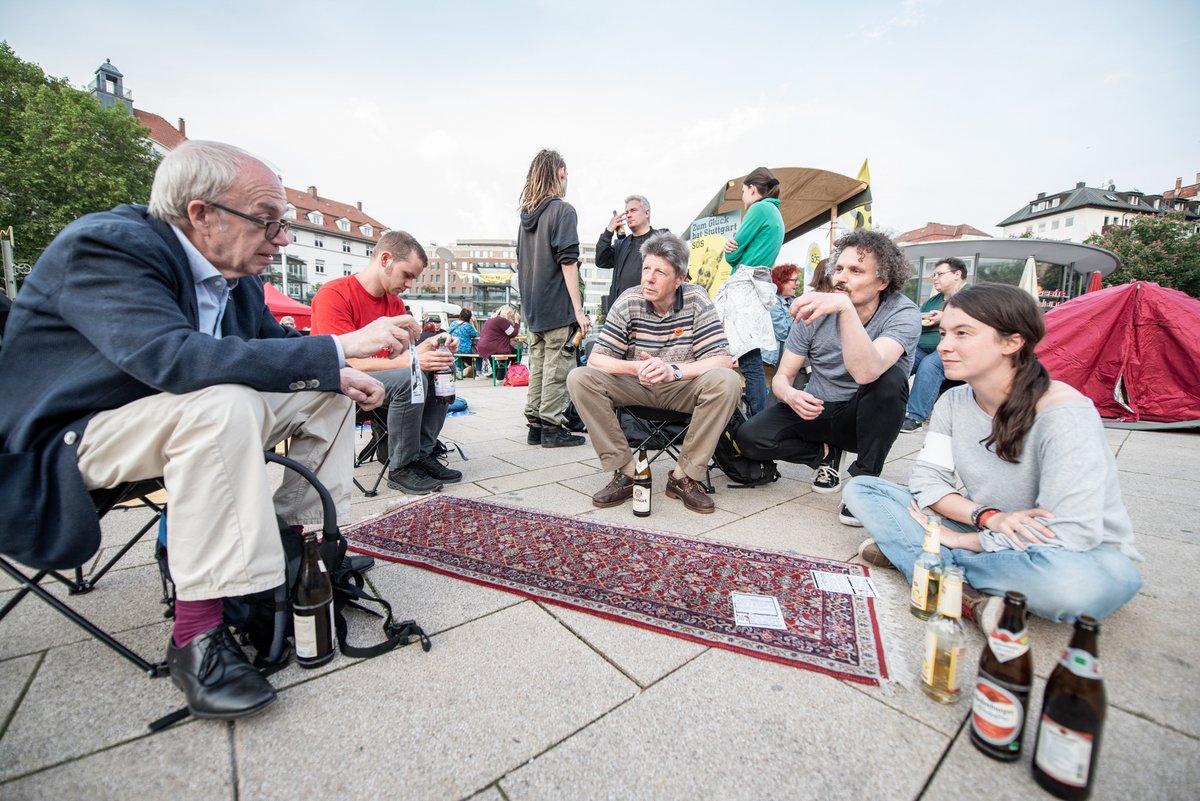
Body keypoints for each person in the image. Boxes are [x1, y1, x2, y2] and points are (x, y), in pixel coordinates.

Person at [0, 140, 414, 720]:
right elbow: (172, 360)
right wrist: (340, 344)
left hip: (168, 418)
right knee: (223, 404)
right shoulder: (107, 246)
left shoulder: (233, 273)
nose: (283, 239)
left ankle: (301, 552)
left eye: (285, 225)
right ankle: (198, 635)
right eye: (269, 223)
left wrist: (338, 367)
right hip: (69, 437)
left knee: (328, 389)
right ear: (201, 213)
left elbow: (276, 348)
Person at [844, 284, 1143, 624]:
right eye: (943, 333)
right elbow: (928, 482)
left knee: (1072, 587)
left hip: (1069, 552)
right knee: (862, 488)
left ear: (1011, 342)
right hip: (986, 522)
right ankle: (960, 582)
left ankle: (932, 565)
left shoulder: (1064, 413)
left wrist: (962, 540)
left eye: (962, 334)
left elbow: (1069, 533)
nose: (944, 346)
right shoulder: (953, 402)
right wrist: (987, 518)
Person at [735, 230, 920, 526]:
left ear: (882, 282)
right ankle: (823, 455)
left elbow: (867, 371)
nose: (841, 278)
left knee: (891, 379)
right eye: (840, 268)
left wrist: (845, 309)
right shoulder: (815, 311)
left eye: (856, 270)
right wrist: (792, 395)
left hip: (860, 417)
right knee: (749, 438)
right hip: (817, 408)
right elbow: (782, 377)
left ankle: (864, 485)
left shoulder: (902, 313)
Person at [567, 232, 741, 514]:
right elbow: (597, 358)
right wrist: (635, 367)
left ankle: (685, 477)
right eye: (646, 268)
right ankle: (626, 472)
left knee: (728, 381)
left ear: (679, 279)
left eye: (660, 272)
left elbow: (722, 359)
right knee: (579, 378)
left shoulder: (697, 298)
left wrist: (673, 371)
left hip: (682, 386)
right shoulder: (628, 300)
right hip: (637, 384)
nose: (648, 278)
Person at [310, 232, 461, 496]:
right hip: (341, 381)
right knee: (409, 377)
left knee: (442, 366)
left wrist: (431, 347)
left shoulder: (394, 303)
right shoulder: (334, 294)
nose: (409, 284)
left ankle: (422, 452)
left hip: (382, 381)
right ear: (385, 259)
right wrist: (415, 360)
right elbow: (350, 361)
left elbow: (396, 356)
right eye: (407, 275)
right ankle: (402, 465)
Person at [516, 149, 589, 447]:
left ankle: (535, 423)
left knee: (540, 366)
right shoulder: (563, 211)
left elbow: (522, 263)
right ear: (559, 173)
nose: (568, 179)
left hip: (534, 308)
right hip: (557, 305)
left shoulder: (525, 218)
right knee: (558, 369)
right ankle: (551, 428)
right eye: (566, 174)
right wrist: (579, 311)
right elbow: (567, 262)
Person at [718, 167, 785, 416]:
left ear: (753, 190)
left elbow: (733, 255)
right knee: (750, 358)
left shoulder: (759, 209)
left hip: (744, 288)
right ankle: (757, 417)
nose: (743, 197)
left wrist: (729, 248)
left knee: (749, 360)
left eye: (744, 191)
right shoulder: (775, 213)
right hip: (756, 287)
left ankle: (756, 418)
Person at [900, 257, 969, 433]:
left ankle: (915, 417)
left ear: (957, 274)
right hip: (923, 347)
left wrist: (944, 317)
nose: (935, 278)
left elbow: (977, 321)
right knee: (899, 358)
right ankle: (887, 407)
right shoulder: (934, 300)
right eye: (934, 274)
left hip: (955, 348)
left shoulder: (972, 296)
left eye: (940, 274)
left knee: (930, 364)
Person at [595, 195, 662, 313]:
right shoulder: (621, 244)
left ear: (647, 213)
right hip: (620, 313)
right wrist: (608, 232)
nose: (628, 215)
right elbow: (601, 261)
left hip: (648, 313)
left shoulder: (660, 239)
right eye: (626, 212)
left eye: (633, 210)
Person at [763, 263, 800, 389]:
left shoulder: (792, 300)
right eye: (794, 280)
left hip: (785, 356)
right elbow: (784, 332)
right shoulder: (773, 301)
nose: (798, 283)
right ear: (781, 281)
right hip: (772, 361)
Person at [477, 304, 521, 378]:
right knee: (516, 352)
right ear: (507, 314)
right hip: (495, 346)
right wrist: (516, 322)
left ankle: (497, 373)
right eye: (511, 315)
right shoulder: (502, 320)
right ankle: (509, 374)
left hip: (484, 346)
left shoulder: (491, 319)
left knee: (504, 351)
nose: (511, 317)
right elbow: (513, 333)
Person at [448, 309, 479, 376]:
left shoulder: (453, 323)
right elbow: (476, 335)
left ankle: (459, 369)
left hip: (453, 349)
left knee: (459, 354)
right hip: (465, 350)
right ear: (469, 318)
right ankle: (479, 372)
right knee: (479, 354)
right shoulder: (468, 326)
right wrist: (472, 324)